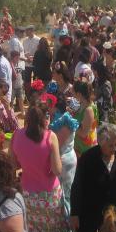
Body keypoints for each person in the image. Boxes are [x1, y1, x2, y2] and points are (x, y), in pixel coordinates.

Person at [10, 102, 69, 232]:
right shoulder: (50, 136)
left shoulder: (16, 135)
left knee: (34, 231)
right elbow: (57, 170)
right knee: (53, 231)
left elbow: (13, 165)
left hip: (28, 193)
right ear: (45, 118)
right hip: (49, 195)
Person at [70, 123, 116, 232]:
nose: (114, 148)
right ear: (100, 143)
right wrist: (75, 213)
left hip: (112, 212)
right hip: (89, 212)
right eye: (111, 145)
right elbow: (77, 186)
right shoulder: (88, 158)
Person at [46, 92, 79, 220]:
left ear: (54, 105)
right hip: (59, 159)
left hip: (64, 160)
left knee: (65, 194)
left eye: (48, 104)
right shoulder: (55, 117)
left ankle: (68, 223)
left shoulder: (65, 121)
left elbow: (56, 144)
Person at [73, 80, 98, 156]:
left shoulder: (88, 110)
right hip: (80, 147)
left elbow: (84, 134)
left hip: (86, 150)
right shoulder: (83, 104)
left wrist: (70, 126)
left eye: (74, 92)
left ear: (79, 94)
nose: (72, 94)